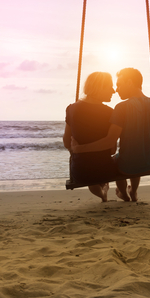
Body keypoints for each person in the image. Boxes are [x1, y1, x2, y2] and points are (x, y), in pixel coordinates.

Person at [72, 67, 150, 202]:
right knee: (136, 156)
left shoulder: (121, 108)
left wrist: (79, 149)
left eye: (119, 84)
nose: (116, 89)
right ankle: (134, 191)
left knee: (120, 160)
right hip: (149, 163)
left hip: (126, 166)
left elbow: (109, 141)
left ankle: (124, 194)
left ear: (129, 82)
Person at [63, 72, 119, 202]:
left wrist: (77, 149)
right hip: (105, 170)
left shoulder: (71, 109)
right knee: (105, 173)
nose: (114, 91)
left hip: (80, 172)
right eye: (110, 86)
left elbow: (67, 142)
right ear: (99, 88)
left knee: (90, 178)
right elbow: (112, 150)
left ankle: (102, 196)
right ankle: (105, 193)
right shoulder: (110, 113)